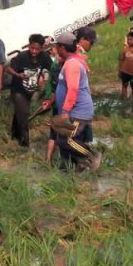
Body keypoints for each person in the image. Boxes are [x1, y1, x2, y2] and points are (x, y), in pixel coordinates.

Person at [52, 30, 100, 170]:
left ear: (62, 47)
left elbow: (73, 89)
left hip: (77, 111)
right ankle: (75, 168)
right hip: (74, 110)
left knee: (66, 140)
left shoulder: (72, 64)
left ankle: (92, 156)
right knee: (66, 140)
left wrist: (65, 111)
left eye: (57, 47)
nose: (55, 49)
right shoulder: (70, 62)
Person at [6, 34, 52, 147]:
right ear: (29, 45)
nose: (34, 51)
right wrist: (17, 74)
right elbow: (9, 68)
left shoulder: (45, 57)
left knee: (20, 113)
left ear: (42, 48)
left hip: (30, 89)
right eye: (32, 48)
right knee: (24, 114)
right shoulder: (22, 57)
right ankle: (24, 143)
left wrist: (44, 78)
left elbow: (51, 70)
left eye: (37, 49)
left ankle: (14, 134)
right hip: (18, 89)